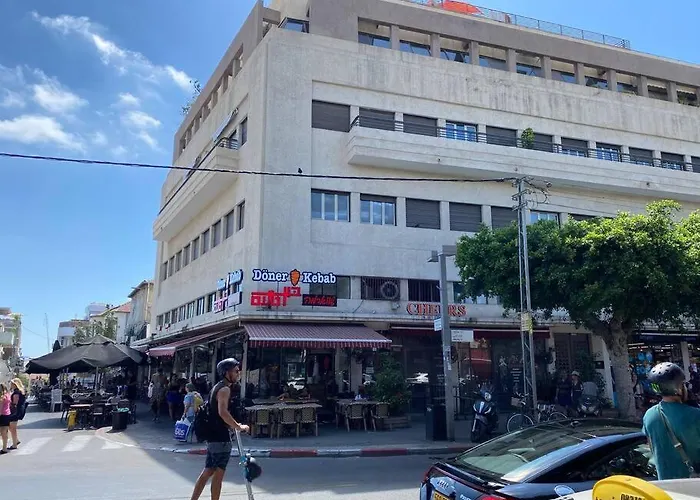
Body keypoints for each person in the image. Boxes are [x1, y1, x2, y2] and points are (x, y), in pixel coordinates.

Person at [189, 358, 249, 500]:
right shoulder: (224, 389)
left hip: (213, 436)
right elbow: (223, 412)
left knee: (208, 471)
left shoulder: (217, 387)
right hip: (220, 438)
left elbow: (217, 412)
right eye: (236, 371)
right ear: (227, 373)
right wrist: (238, 426)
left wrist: (232, 424)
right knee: (218, 474)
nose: (238, 373)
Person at [643, 362, 700, 479]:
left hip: (665, 486)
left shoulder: (649, 415)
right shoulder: (695, 415)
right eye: (683, 384)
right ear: (678, 388)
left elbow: (651, 447)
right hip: (693, 484)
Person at [8, 378, 26, 450]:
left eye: (12, 384)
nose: (11, 385)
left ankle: (14, 444)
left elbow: (15, 403)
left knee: (12, 428)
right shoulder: (20, 391)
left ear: (15, 384)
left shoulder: (16, 392)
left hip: (15, 411)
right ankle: (16, 440)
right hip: (19, 410)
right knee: (11, 426)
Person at [0, 384, 11, 455]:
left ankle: (4, 448)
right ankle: (5, 448)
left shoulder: (2, 397)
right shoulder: (8, 395)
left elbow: (0, 409)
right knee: (5, 432)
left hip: (2, 415)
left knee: (2, 432)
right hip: (7, 414)